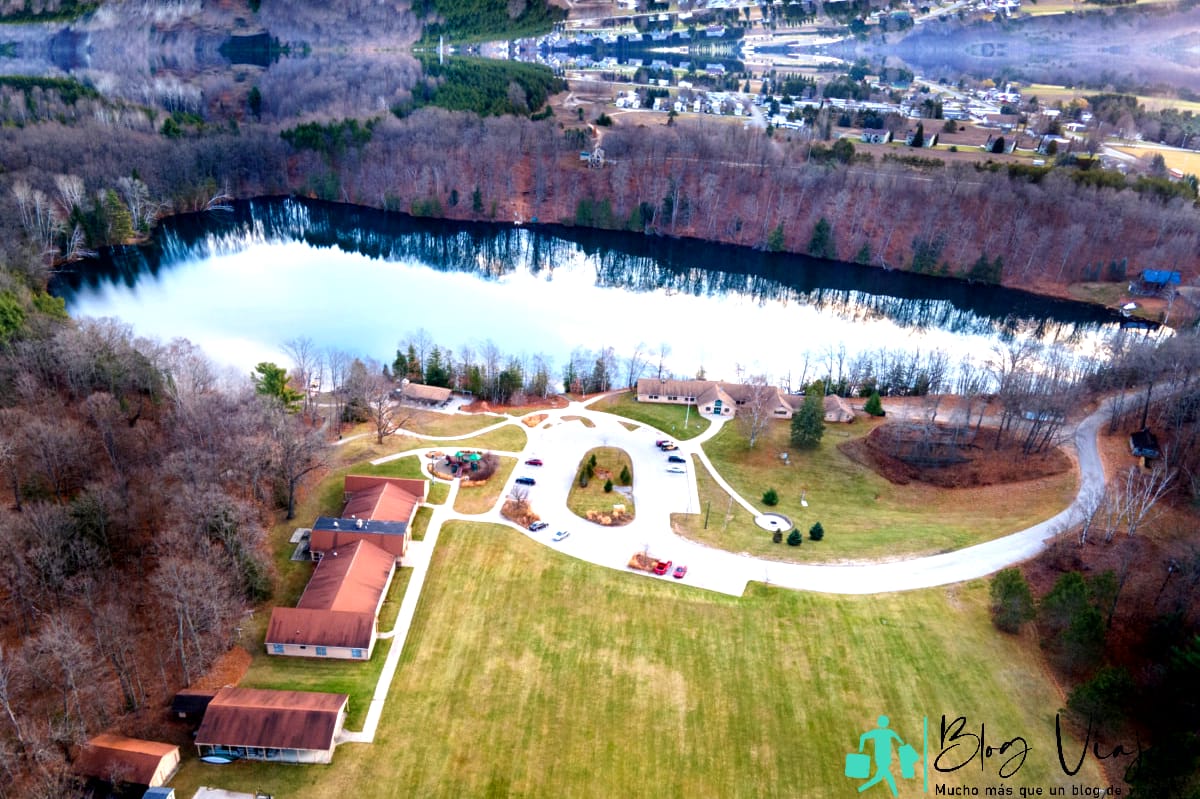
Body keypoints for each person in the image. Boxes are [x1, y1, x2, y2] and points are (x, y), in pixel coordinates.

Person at [858, 715, 904, 796]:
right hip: (885, 759)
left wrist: (861, 749)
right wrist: (901, 743)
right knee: (887, 776)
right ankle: (896, 795)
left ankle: (861, 788)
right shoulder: (889, 732)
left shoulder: (876, 732)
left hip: (880, 758)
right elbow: (899, 739)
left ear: (879, 723)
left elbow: (863, 737)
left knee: (880, 777)